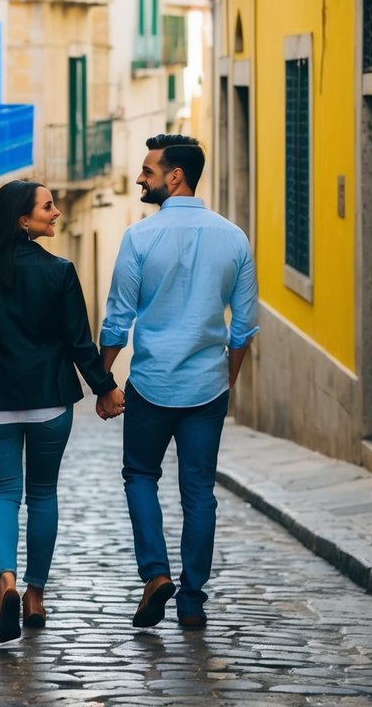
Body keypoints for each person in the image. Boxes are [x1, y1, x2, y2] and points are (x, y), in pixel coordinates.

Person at [98, 134, 258, 631]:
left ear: (174, 176)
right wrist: (226, 380)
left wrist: (104, 380)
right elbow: (245, 325)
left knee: (140, 476)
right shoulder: (234, 238)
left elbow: (117, 319)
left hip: (150, 384)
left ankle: (155, 575)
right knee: (199, 493)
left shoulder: (139, 238)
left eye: (148, 170)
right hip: (207, 387)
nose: (141, 178)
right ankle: (192, 599)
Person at [0, 179, 125, 643]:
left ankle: (4, 582)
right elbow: (77, 341)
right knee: (43, 494)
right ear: (22, 220)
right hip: (50, 402)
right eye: (47, 207)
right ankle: (33, 596)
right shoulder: (60, 272)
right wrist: (105, 388)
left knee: (3, 495)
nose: (56, 213)